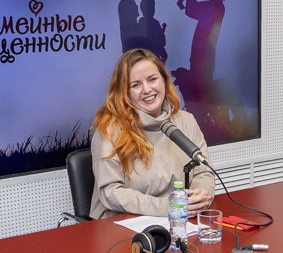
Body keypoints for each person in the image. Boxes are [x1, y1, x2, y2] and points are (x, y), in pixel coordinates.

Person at [89, 48, 214, 219]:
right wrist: (166, 207)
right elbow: (111, 192)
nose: (147, 89)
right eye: (135, 85)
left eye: (152, 79)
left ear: (164, 80)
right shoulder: (109, 129)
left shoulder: (186, 121)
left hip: (178, 219)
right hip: (121, 223)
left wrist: (201, 196)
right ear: (123, 92)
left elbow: (203, 172)